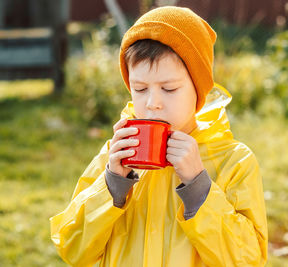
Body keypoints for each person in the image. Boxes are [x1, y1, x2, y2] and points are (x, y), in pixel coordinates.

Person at [50, 6, 268, 267]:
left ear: (198, 89)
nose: (153, 103)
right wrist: (111, 185)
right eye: (140, 89)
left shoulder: (234, 162)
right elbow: (73, 249)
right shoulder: (114, 156)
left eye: (169, 88)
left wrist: (199, 188)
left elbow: (247, 261)